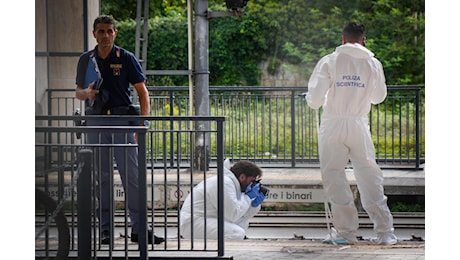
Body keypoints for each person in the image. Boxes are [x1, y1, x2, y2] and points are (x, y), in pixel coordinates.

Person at [305, 22, 397, 245]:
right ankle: (385, 233)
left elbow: (315, 100)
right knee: (369, 174)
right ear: (363, 39)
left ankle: (346, 232)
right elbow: (378, 97)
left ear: (342, 38)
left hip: (333, 124)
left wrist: (314, 98)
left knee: (334, 175)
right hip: (358, 124)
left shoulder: (329, 61)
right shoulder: (373, 64)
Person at [75, 15, 164, 245]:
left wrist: (143, 124)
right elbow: (78, 92)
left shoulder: (126, 58)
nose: (105, 35)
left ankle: (139, 229)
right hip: (96, 121)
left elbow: (143, 93)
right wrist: (88, 94)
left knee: (132, 178)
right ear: (94, 34)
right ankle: (106, 230)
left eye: (109, 31)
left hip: (122, 121)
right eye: (101, 31)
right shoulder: (86, 59)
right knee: (102, 178)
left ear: (115, 33)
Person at [180, 159, 266, 240]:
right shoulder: (224, 183)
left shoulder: (234, 186)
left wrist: (254, 205)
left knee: (241, 225)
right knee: (237, 233)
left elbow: (243, 215)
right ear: (242, 177)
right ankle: (218, 252)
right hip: (194, 223)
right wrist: (248, 197)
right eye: (252, 181)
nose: (253, 185)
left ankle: (222, 250)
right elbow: (233, 214)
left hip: (206, 219)